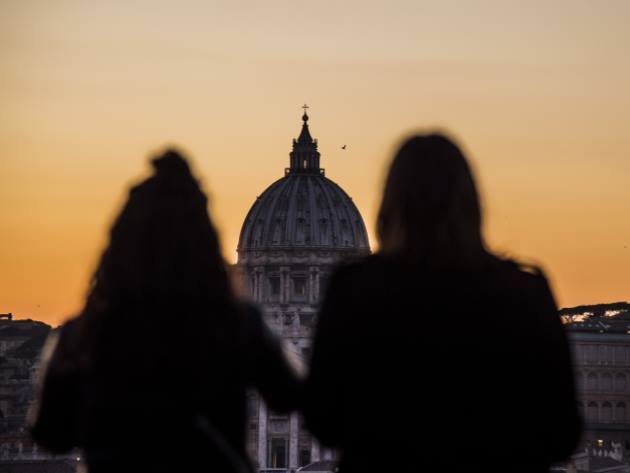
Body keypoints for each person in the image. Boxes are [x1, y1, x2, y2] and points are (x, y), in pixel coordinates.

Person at [303, 134, 581, 472]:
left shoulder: (354, 290)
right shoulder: (526, 291)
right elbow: (564, 434)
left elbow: (323, 421)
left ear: (390, 207)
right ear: (472, 205)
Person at [30, 149, 301, 473]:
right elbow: (293, 397)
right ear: (206, 241)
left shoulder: (86, 331)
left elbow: (52, 434)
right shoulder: (237, 324)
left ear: (120, 243)